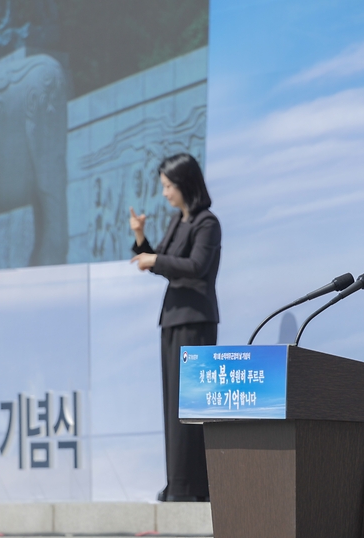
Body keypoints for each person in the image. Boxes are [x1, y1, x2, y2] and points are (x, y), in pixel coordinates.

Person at [129, 153, 220, 502]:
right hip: (172, 319)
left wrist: (155, 259)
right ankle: (177, 483)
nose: (165, 193)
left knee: (193, 407)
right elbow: (159, 263)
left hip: (196, 321)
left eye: (169, 186)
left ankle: (193, 486)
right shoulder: (177, 222)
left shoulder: (207, 223)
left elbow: (196, 266)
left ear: (186, 184)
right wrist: (141, 239)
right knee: (173, 405)